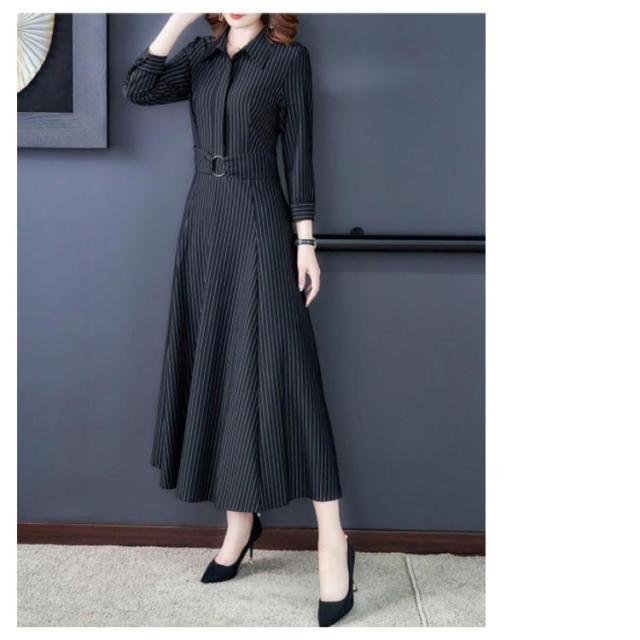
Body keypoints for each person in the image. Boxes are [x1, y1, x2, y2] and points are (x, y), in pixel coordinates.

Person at [122, 13, 356, 626]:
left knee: (287, 372)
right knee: (219, 365)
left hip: (259, 217)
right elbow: (139, 87)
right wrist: (178, 18)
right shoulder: (200, 56)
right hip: (204, 221)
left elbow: (298, 151)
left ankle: (333, 538)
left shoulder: (287, 60)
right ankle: (240, 523)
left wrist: (306, 242)